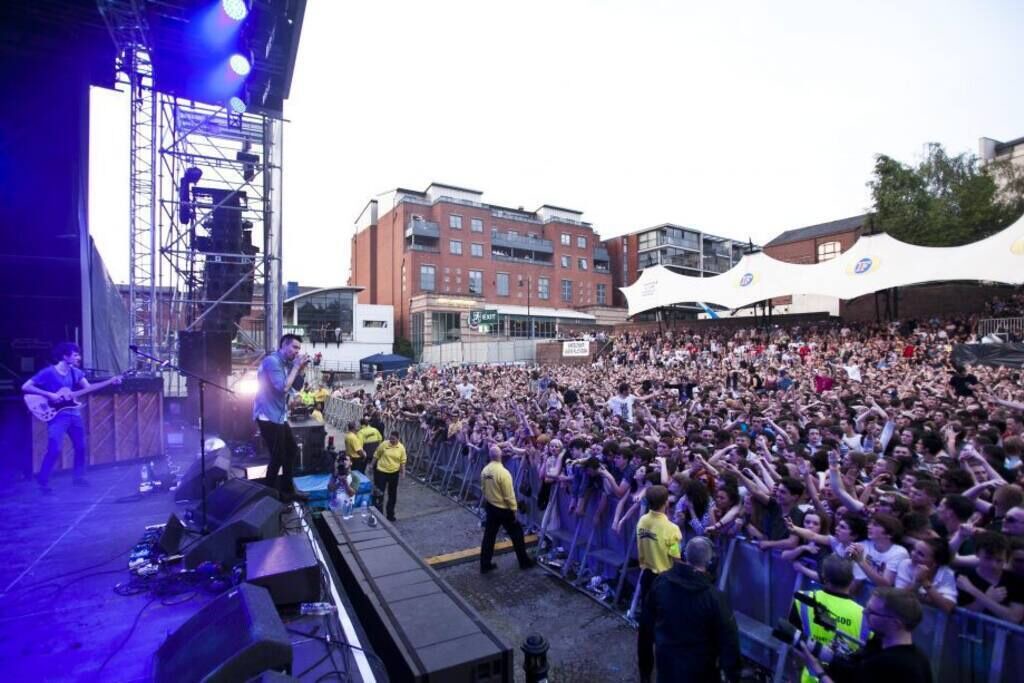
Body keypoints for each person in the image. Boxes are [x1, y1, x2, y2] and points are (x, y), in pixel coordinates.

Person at [22, 342, 121, 493]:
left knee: (81, 447)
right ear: (64, 356)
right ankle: (43, 480)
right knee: (54, 448)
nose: (79, 358)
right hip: (57, 416)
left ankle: (78, 477)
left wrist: (110, 382)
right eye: (75, 355)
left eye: (78, 354)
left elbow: (88, 389)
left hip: (74, 415)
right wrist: (49, 394)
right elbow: (26, 386)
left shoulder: (76, 373)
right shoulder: (48, 372)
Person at [642, 536, 741, 683]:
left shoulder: (661, 583)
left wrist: (645, 674)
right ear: (711, 564)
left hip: (667, 670)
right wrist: (732, 677)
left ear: (684, 555)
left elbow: (645, 630)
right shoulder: (715, 598)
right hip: (701, 674)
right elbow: (730, 645)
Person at [797, 587, 933, 683]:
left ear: (896, 624)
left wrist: (815, 667)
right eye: (866, 608)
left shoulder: (892, 664)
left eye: (872, 612)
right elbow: (854, 672)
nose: (864, 613)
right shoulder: (880, 646)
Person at [789, 556, 869, 683]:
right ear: (851, 580)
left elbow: (795, 644)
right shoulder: (866, 615)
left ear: (824, 578)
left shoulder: (803, 600)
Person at [634, 485, 683, 683]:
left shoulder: (642, 520)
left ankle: (645, 673)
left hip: (647, 576)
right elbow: (676, 558)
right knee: (666, 628)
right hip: (665, 579)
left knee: (646, 628)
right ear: (665, 503)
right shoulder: (672, 529)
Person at [253, 334, 311, 501]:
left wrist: (300, 368)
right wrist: (295, 367)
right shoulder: (272, 361)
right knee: (277, 456)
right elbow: (283, 388)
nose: (297, 351)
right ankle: (267, 497)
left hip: (279, 415)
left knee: (291, 451)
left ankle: (287, 491)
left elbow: (297, 387)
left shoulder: (287, 363)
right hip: (267, 416)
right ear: (284, 346)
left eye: (299, 348)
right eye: (294, 347)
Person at [479, 445, 535, 573]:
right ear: (500, 456)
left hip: (491, 506)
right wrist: (514, 510)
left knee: (489, 536)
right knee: (517, 535)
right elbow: (509, 495)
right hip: (503, 508)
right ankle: (524, 561)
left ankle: (485, 564)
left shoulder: (485, 470)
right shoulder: (503, 473)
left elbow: (483, 488)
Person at [370, 431, 406, 522]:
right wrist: (371, 465)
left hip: (394, 473)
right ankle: (378, 514)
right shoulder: (384, 444)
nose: (391, 441)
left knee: (392, 494)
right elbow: (376, 455)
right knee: (379, 493)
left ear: (398, 438)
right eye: (390, 439)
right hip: (381, 472)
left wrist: (403, 473)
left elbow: (402, 461)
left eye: (393, 439)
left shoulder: (401, 448)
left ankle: (390, 514)